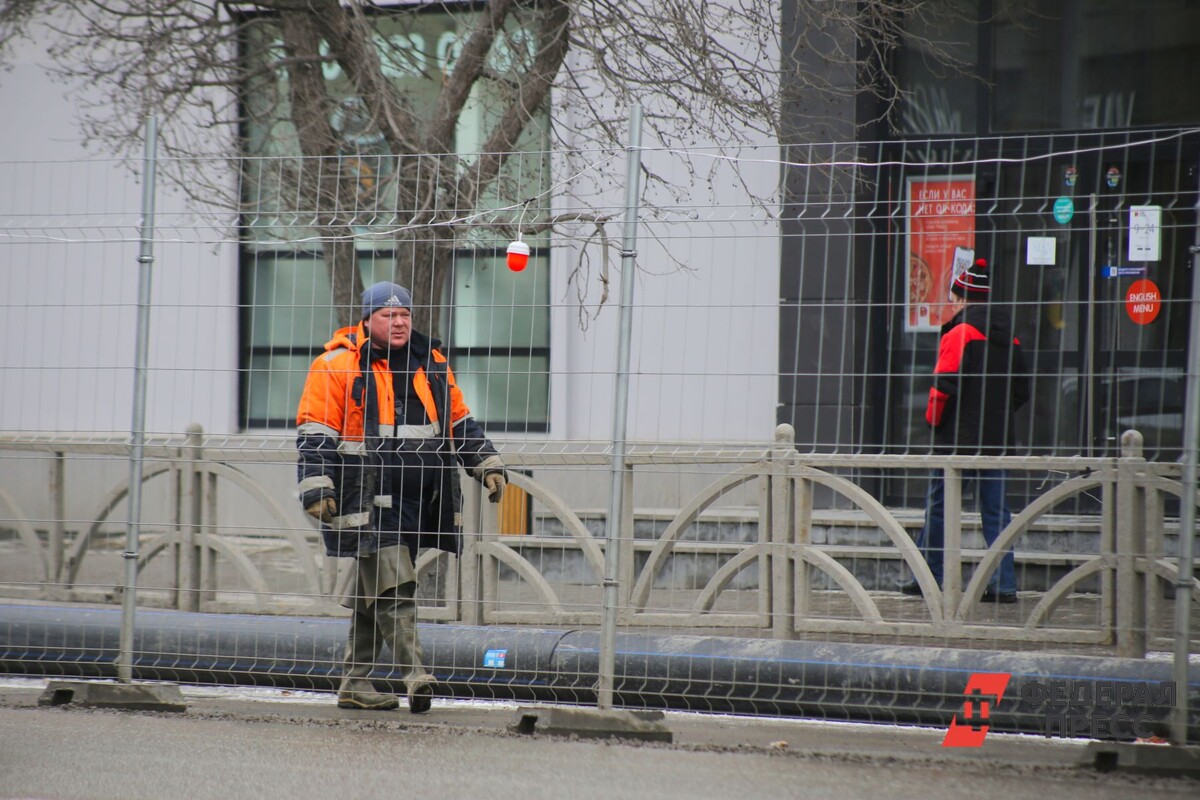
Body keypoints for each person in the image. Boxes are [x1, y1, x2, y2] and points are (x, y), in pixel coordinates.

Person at [296, 281, 506, 711]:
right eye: (388, 316)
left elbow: (459, 422)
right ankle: (416, 674)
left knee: (375, 589)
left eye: (405, 315)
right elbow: (316, 431)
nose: (399, 322)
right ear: (367, 319)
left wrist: (486, 464)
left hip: (420, 503)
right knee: (395, 587)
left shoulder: (431, 363)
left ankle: (355, 683)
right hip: (364, 500)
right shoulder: (335, 365)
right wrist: (317, 488)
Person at [901, 258, 1030, 603]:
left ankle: (931, 577)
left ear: (961, 298)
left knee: (941, 506)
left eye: (954, 298)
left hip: (956, 440)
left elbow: (943, 387)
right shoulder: (1010, 337)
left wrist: (932, 421)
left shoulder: (960, 332)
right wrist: (997, 417)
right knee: (996, 511)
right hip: (996, 440)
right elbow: (1022, 391)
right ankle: (1003, 585)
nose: (953, 304)